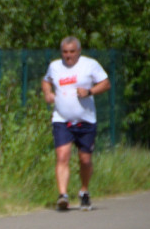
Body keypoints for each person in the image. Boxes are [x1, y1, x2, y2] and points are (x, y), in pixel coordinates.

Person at [41, 36, 110, 211]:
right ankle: (63, 195)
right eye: (65, 52)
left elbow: (105, 83)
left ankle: (84, 191)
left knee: (85, 160)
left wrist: (89, 91)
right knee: (62, 156)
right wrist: (48, 93)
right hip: (62, 119)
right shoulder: (55, 66)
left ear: (78, 51)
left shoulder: (89, 65)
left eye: (72, 52)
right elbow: (46, 80)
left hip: (85, 120)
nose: (68, 56)